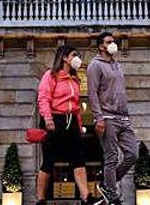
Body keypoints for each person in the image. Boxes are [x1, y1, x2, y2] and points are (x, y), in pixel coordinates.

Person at [36, 45, 94, 205]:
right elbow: (44, 98)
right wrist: (47, 119)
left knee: (79, 159)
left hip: (72, 121)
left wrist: (80, 125)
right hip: (55, 119)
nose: (77, 59)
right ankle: (40, 199)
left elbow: (76, 105)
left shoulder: (75, 79)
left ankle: (86, 197)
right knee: (49, 160)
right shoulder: (51, 75)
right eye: (74, 55)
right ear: (64, 57)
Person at [87, 32, 137, 205]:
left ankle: (107, 184)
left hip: (123, 118)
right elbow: (92, 93)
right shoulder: (95, 66)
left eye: (113, 41)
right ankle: (113, 195)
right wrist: (98, 118)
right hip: (107, 118)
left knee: (132, 154)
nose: (113, 44)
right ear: (101, 46)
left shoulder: (117, 65)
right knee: (112, 157)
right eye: (109, 42)